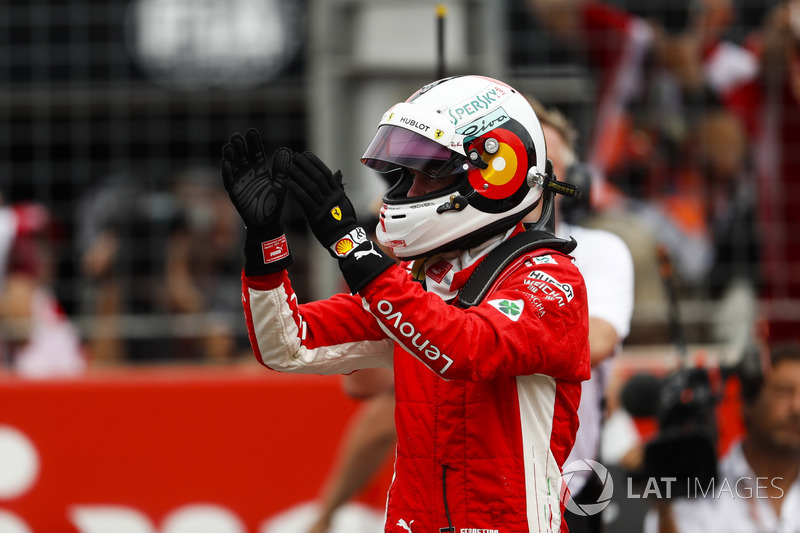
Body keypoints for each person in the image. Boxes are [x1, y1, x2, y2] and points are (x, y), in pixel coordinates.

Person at [222, 75, 591, 532]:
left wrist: (355, 251)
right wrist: (264, 245)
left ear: (497, 174)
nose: (407, 192)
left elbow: (465, 347)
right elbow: (287, 345)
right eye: (406, 175)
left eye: (427, 174)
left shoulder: (552, 279)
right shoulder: (418, 282)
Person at [524, 99, 635, 533]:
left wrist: (483, 343)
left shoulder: (600, 251)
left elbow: (596, 343)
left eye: (546, 162)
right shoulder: (447, 258)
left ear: (574, 180)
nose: (534, 175)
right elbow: (367, 382)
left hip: (570, 487)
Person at [644, 342, 800, 532]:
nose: (796, 408)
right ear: (747, 404)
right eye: (783, 391)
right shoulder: (697, 489)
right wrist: (664, 508)